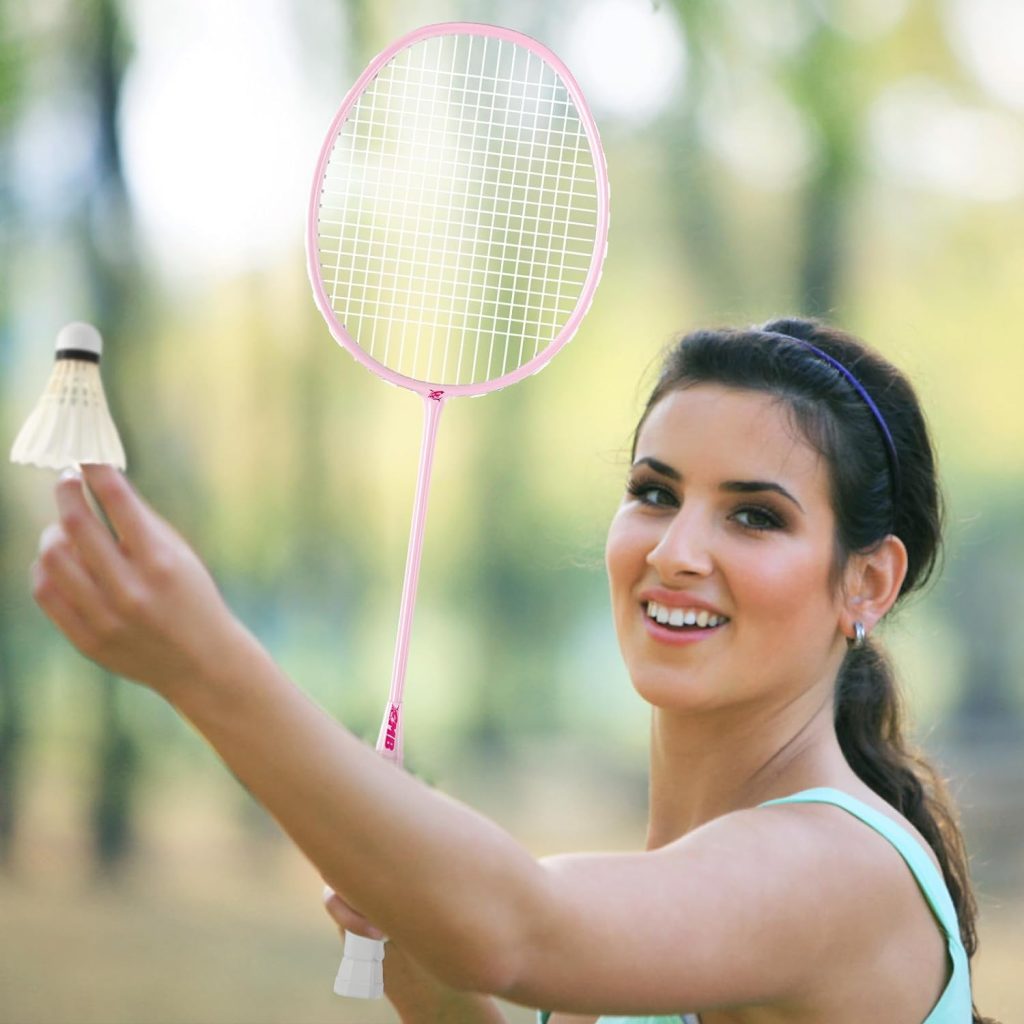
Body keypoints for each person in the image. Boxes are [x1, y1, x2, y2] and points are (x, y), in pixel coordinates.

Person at [30, 317, 996, 1024]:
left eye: (754, 515)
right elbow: (505, 939)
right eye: (655, 494)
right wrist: (430, 963)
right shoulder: (672, 893)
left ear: (867, 581)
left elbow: (518, 930)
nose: (676, 552)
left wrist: (204, 664)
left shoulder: (838, 872)